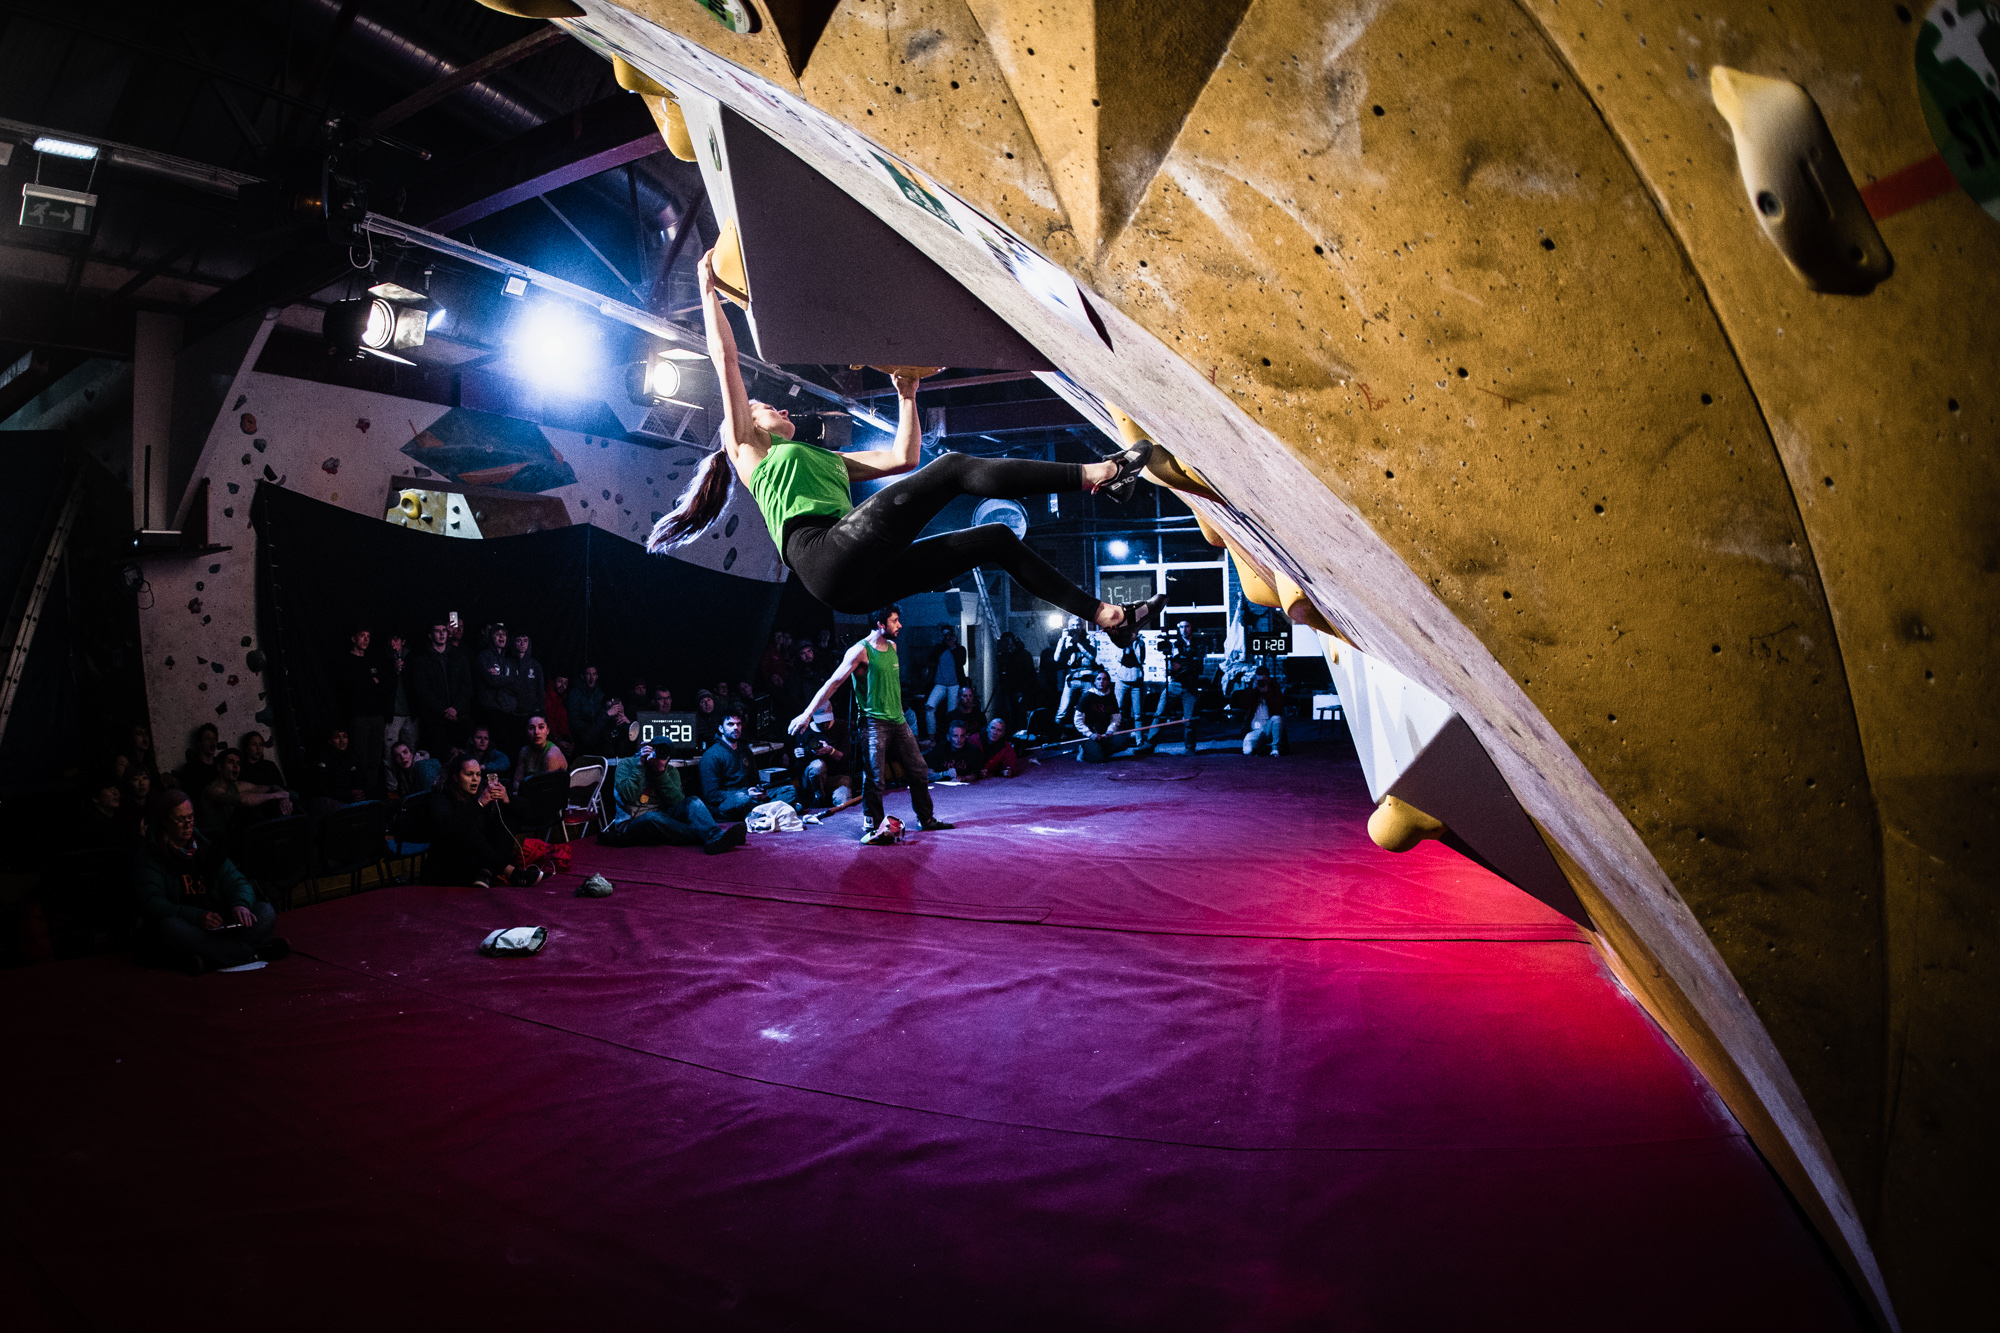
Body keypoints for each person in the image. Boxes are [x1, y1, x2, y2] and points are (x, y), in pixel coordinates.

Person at [646, 249, 1168, 646]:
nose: (778, 409)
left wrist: (908, 398)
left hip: (852, 572)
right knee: (958, 466)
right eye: (766, 408)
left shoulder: (823, 461)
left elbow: (903, 458)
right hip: (824, 556)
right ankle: (1102, 474)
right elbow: (726, 361)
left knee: (993, 539)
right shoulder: (747, 451)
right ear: (748, 426)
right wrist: (707, 289)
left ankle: (1108, 619)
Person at [788, 606, 952, 845]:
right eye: (895, 621)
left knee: (918, 770)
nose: (900, 626)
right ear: (880, 624)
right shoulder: (860, 651)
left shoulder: (894, 647)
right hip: (874, 723)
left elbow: (889, 687)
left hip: (898, 721)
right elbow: (832, 683)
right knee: (875, 778)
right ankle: (873, 825)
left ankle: (926, 819)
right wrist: (807, 713)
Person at [136, 792, 287, 975]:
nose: (188, 823)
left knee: (265, 912)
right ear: (165, 822)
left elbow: (237, 881)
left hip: (220, 924)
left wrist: (240, 904)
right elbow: (153, 903)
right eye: (180, 819)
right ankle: (252, 953)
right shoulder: (153, 856)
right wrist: (197, 917)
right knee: (170, 927)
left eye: (191, 817)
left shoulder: (205, 848)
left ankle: (211, 959)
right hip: (190, 925)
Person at [598, 741, 743, 853]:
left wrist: (660, 772)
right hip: (631, 823)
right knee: (652, 818)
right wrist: (641, 765)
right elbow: (629, 796)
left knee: (693, 801)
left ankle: (715, 838)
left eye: (664, 753)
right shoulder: (626, 765)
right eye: (656, 750)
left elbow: (677, 801)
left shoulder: (669, 770)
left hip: (663, 819)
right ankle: (714, 836)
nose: (659, 755)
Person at [423, 755, 539, 888]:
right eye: (469, 774)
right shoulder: (441, 797)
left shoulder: (480, 790)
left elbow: (529, 812)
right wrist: (479, 804)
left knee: (507, 816)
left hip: (475, 859)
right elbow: (447, 825)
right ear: (455, 777)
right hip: (449, 864)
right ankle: (510, 872)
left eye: (478, 775)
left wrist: (508, 799)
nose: (475, 779)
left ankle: (487, 872)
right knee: (465, 825)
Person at [698, 712, 797, 821]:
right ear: (721, 729)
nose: (736, 728)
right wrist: (746, 793)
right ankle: (775, 811)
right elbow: (711, 795)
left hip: (751, 798)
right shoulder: (712, 755)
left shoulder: (745, 751)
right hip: (729, 802)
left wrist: (760, 792)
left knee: (789, 790)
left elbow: (755, 781)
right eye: (730, 724)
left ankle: (761, 813)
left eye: (738, 724)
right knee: (742, 799)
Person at [333, 626, 388, 795]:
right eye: (362, 635)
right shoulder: (346, 660)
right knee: (361, 758)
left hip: (377, 716)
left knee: (375, 758)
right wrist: (371, 682)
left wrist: (370, 683)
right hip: (360, 717)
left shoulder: (372, 660)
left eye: (368, 636)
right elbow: (352, 687)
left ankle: (371, 791)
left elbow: (381, 685)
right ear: (353, 638)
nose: (365, 639)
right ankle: (360, 792)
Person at [409, 619, 472, 756]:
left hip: (458, 717)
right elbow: (423, 691)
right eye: (437, 631)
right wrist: (444, 710)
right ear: (430, 635)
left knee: (461, 758)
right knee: (440, 757)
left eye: (444, 630)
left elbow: (466, 685)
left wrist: (456, 708)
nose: (442, 634)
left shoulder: (459, 656)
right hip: (435, 720)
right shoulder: (422, 661)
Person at [200, 749, 292, 836]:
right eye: (231, 762)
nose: (236, 766)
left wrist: (284, 798)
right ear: (220, 767)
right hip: (217, 838)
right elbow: (243, 800)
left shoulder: (238, 785)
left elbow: (272, 787)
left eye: (238, 763)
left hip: (234, 835)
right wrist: (277, 795)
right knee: (248, 810)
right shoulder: (211, 789)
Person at [1153, 621, 1204, 754]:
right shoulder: (1175, 644)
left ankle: (1189, 748)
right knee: (1159, 712)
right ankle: (1149, 744)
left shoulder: (1199, 643)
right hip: (1175, 684)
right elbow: (1173, 665)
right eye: (1181, 627)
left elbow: (1198, 667)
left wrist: (1182, 666)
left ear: (1191, 627)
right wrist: (1185, 665)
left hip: (1190, 686)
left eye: (1187, 626)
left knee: (1189, 719)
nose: (1184, 629)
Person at [1075, 668, 1144, 763]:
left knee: (1124, 742)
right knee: (1099, 759)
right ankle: (1085, 750)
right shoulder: (1087, 697)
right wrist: (1090, 734)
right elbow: (1078, 721)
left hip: (1104, 734)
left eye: (1105, 679)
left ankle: (1099, 750)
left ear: (1108, 682)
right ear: (1094, 682)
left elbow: (1116, 718)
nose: (1101, 682)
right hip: (1090, 734)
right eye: (1098, 679)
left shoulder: (1111, 697)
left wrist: (1110, 730)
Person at [472, 623, 518, 752]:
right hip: (492, 710)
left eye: (503, 634)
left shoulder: (508, 660)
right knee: (497, 746)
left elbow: (515, 682)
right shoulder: (484, 657)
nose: (501, 637)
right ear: (491, 638)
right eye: (497, 634)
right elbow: (491, 681)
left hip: (508, 710)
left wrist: (500, 677)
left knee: (511, 748)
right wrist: (507, 679)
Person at [307, 726, 366, 813]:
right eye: (337, 737)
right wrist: (348, 794)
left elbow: (360, 779)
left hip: (354, 799)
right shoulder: (323, 759)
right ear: (330, 741)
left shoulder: (353, 757)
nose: (342, 741)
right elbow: (322, 788)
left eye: (344, 736)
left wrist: (358, 793)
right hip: (334, 801)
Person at [1051, 620, 1097, 732]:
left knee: (1087, 708)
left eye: (1078, 625)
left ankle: (1087, 734)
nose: (1075, 628)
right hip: (1072, 678)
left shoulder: (1089, 638)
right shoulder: (1066, 639)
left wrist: (1078, 643)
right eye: (1072, 625)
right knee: (1063, 709)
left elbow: (1092, 656)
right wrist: (1062, 640)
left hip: (1086, 678)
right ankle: (1056, 735)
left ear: (1081, 626)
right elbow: (1056, 658)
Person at [923, 625, 965, 739]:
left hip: (954, 684)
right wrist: (941, 646)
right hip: (940, 683)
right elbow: (931, 660)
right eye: (944, 634)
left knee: (952, 713)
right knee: (929, 707)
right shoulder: (939, 648)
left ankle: (950, 738)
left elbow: (961, 662)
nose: (947, 637)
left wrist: (953, 647)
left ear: (953, 635)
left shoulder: (960, 649)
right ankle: (931, 737)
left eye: (949, 634)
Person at [1237, 666, 1287, 757]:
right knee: (1247, 750)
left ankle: (1275, 748)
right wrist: (1252, 690)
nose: (1261, 683)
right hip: (1255, 730)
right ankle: (1261, 748)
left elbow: (1278, 709)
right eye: (1258, 680)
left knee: (1277, 718)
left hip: (1269, 727)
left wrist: (1267, 692)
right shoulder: (1253, 688)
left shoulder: (1274, 688)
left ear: (1268, 679)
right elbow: (1243, 704)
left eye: (1263, 680)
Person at [383, 632, 417, 761]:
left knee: (410, 753)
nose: (393, 643)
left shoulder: (412, 659)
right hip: (393, 715)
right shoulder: (384, 660)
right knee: (390, 754)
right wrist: (394, 671)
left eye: (396, 639)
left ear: (403, 641)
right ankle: (392, 782)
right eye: (390, 639)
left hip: (410, 714)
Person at [513, 714, 569, 791]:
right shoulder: (524, 751)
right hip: (528, 795)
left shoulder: (552, 754)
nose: (536, 732)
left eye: (541, 727)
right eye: (531, 728)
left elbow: (543, 789)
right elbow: (517, 782)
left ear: (547, 731)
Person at [566, 666, 610, 754]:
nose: (591, 677)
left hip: (599, 742)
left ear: (597, 676)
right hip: (582, 740)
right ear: (583, 676)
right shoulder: (575, 693)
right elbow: (574, 720)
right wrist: (589, 730)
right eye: (588, 674)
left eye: (594, 674)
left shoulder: (601, 694)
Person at [179, 723, 223, 796]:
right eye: (208, 738)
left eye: (214, 739)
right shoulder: (190, 768)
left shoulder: (220, 765)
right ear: (199, 743)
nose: (212, 741)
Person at [118, 768, 155, 842]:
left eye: (145, 778)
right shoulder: (122, 809)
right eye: (135, 779)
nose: (142, 783)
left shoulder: (155, 805)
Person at [544, 673, 573, 744]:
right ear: (553, 682)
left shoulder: (563, 701)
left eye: (565, 683)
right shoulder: (545, 699)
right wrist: (558, 742)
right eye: (560, 681)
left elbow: (563, 727)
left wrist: (569, 741)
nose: (562, 686)